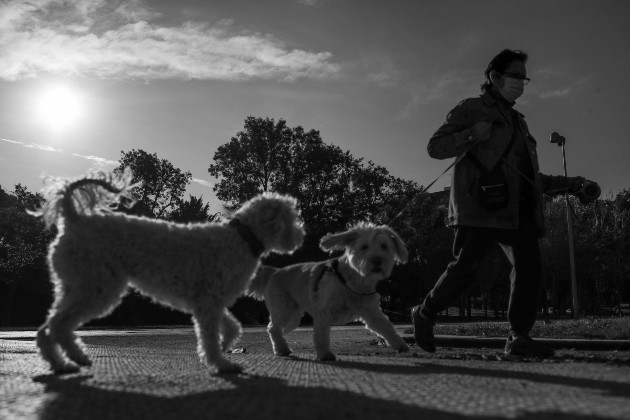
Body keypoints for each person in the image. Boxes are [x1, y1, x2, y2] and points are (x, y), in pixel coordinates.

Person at [411, 49, 597, 358]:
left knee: (529, 269)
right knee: (466, 270)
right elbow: (435, 147)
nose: (520, 82)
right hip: (479, 207)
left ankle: (518, 337)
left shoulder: (518, 122)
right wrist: (472, 134)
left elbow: (529, 176)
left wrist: (572, 184)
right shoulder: (471, 109)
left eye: (524, 77)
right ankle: (425, 313)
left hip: (518, 210)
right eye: (514, 76)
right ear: (495, 77)